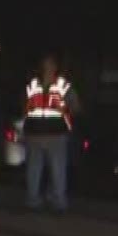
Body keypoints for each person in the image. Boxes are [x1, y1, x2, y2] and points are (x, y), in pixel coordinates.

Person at [22, 54, 81, 213]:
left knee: (55, 170)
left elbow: (75, 107)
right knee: (37, 170)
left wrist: (65, 110)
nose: (46, 68)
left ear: (54, 67)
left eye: (49, 65)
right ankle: (36, 201)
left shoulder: (62, 86)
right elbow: (25, 108)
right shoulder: (33, 85)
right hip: (36, 134)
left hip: (54, 134)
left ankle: (56, 203)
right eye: (44, 65)